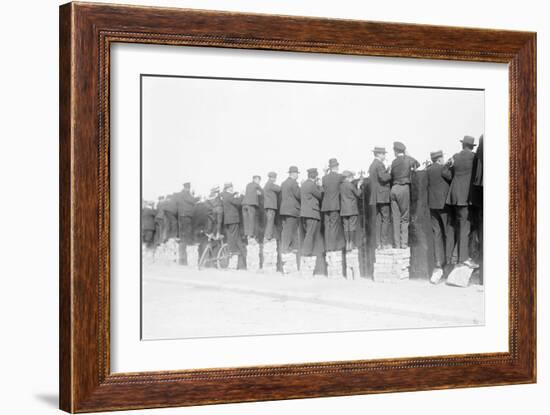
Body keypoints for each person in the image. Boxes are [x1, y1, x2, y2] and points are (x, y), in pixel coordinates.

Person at [446, 135, 479, 269]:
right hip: (466, 197)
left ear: (462, 145)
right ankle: (463, 259)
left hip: (454, 196)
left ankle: (455, 257)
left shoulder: (455, 156)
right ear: (471, 146)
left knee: (458, 226)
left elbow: (446, 173)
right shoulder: (474, 157)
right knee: (465, 227)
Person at [426, 150, 453, 278]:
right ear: (440, 159)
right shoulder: (444, 169)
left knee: (436, 234)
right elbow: (451, 178)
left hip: (432, 205)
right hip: (444, 205)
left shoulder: (429, 170)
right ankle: (448, 264)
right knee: (447, 233)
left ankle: (438, 263)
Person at [390, 141, 419, 248]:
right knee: (404, 218)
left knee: (395, 218)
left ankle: (397, 244)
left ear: (396, 151)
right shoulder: (408, 160)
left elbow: (391, 174)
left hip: (393, 188)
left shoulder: (393, 162)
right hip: (403, 188)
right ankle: (404, 243)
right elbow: (418, 164)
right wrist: (408, 154)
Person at [368, 147, 392, 249]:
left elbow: (377, 178)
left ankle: (378, 243)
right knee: (385, 218)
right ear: (378, 154)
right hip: (382, 195)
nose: (384, 156)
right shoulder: (379, 164)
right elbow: (383, 178)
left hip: (375, 196)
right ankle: (384, 243)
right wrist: (390, 172)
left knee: (378, 220)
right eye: (383, 154)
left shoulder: (372, 165)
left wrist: (385, 171)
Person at [321, 158, 345, 252]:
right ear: (337, 167)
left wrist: (325, 172)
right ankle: (333, 246)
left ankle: (328, 246)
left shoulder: (324, 178)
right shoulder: (340, 177)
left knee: (327, 226)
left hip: (325, 206)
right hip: (335, 205)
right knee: (334, 226)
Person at [221, 183, 247, 269]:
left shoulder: (224, 195)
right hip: (233, 219)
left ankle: (232, 250)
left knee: (230, 236)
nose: (232, 188)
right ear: (229, 188)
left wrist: (235, 194)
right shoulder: (229, 196)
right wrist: (242, 195)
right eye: (232, 187)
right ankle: (234, 250)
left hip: (228, 220)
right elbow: (238, 202)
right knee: (235, 236)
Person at [300, 168, 324, 257]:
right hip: (312, 213)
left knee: (308, 233)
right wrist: (320, 186)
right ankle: (306, 252)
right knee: (310, 233)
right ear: (315, 176)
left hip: (304, 213)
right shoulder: (312, 185)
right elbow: (320, 196)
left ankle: (310, 251)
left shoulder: (304, 185)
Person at [175, 182, 199, 265]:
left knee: (182, 238)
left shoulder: (180, 195)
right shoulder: (186, 194)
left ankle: (182, 261)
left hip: (181, 217)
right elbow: (192, 201)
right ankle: (183, 261)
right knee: (185, 238)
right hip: (186, 217)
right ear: (187, 188)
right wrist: (197, 197)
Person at [279, 166, 301, 253]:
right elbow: (298, 195)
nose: (298, 176)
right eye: (297, 174)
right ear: (294, 174)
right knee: (292, 229)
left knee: (286, 229)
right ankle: (287, 248)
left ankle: (286, 247)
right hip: (292, 210)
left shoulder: (283, 183)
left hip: (284, 210)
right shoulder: (294, 183)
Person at [340, 170, 362, 251]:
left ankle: (347, 243)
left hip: (344, 209)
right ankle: (351, 243)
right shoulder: (350, 185)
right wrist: (359, 187)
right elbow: (358, 194)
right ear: (348, 177)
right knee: (352, 226)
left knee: (346, 227)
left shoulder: (341, 186)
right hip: (352, 209)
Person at [242, 175, 263, 242]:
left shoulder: (248, 185)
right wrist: (259, 193)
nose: (259, 182)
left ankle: (246, 234)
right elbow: (262, 192)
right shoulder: (256, 185)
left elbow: (250, 193)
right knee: (251, 220)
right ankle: (251, 235)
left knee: (246, 221)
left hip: (244, 205)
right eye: (259, 180)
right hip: (251, 205)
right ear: (256, 179)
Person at [263, 171, 281, 241]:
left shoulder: (267, 184)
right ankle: (268, 236)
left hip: (268, 206)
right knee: (270, 221)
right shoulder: (270, 184)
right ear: (271, 178)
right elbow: (279, 189)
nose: (275, 179)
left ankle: (269, 235)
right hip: (271, 206)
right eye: (274, 178)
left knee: (270, 221)